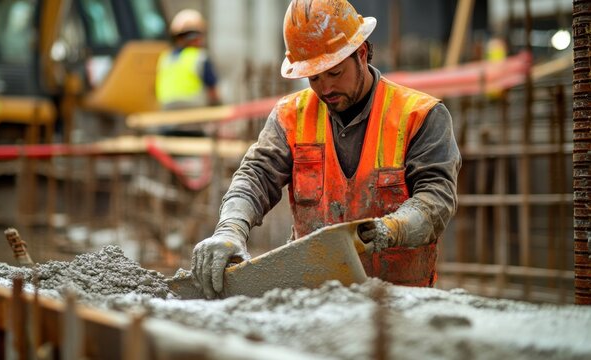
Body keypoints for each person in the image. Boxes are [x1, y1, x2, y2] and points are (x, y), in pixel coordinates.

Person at [191, 0, 462, 299]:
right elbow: (255, 176)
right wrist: (230, 228)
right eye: (314, 77)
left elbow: (436, 199)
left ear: (361, 53)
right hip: (314, 302)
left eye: (334, 73)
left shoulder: (419, 115)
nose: (325, 88)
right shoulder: (292, 116)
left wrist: (390, 229)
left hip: (400, 302)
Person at [155, 8, 221, 136]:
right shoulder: (200, 57)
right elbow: (213, 93)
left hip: (167, 121)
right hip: (194, 122)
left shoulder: (165, 58)